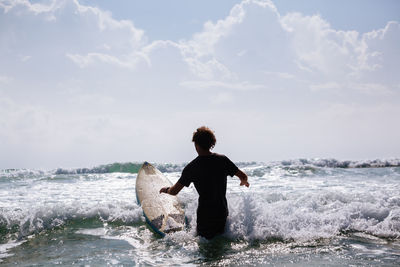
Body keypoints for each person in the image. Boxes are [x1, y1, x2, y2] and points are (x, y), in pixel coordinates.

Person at [160, 126, 249, 239]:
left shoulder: (192, 167)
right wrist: (244, 182)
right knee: (219, 244)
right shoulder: (222, 160)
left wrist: (166, 189)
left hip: (205, 216)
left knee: (205, 246)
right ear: (211, 143)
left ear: (196, 145)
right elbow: (243, 176)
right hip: (221, 212)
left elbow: (174, 191)